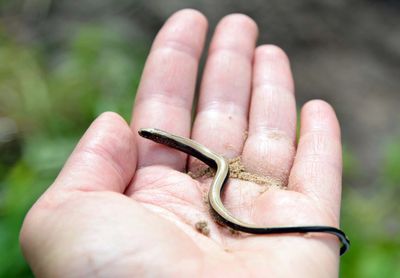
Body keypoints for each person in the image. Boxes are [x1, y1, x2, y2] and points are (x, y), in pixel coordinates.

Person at [20, 9, 345, 277]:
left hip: (220, 185)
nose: (147, 138)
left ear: (159, 139)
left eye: (150, 136)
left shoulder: (206, 158)